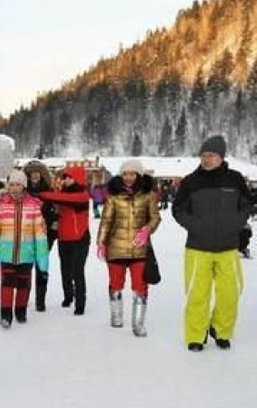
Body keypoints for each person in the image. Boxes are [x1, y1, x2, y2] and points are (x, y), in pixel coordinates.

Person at [172, 136, 252, 351]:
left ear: (221, 157)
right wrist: (196, 225)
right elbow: (178, 209)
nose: (207, 160)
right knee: (197, 294)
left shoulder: (235, 179)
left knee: (232, 291)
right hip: (198, 248)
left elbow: (246, 206)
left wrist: (235, 224)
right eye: (204, 156)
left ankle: (220, 329)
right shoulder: (190, 181)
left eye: (212, 156)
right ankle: (196, 335)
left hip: (228, 247)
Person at [96, 159, 161, 337]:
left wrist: (147, 230)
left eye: (132, 174)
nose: (128, 177)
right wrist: (101, 242)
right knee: (116, 284)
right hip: (116, 248)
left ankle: (138, 324)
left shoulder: (148, 195)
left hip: (139, 249)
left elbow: (155, 217)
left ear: (138, 175)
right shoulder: (114, 196)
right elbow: (106, 221)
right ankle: (116, 316)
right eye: (125, 174)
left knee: (140, 286)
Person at [0, 170, 48, 327]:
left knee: (23, 284)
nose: (14, 188)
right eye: (11, 184)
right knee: (7, 283)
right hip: (6, 254)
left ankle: (20, 311)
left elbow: (40, 237)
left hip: (27, 254)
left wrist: (43, 263)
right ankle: (5, 315)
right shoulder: (2, 206)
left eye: (18, 184)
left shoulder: (33, 207)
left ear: (24, 186)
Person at [39, 166, 90, 315]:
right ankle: (68, 296)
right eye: (65, 177)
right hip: (64, 238)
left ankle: (80, 303)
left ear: (78, 178)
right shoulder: (60, 193)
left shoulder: (82, 195)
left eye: (69, 177)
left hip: (80, 239)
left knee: (77, 271)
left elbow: (64, 199)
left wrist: (43, 194)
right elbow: (54, 203)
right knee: (65, 270)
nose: (66, 180)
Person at [24, 160, 58, 311]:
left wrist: (52, 232)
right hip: (26, 235)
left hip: (45, 235)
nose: (35, 176)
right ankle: (23, 298)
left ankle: (40, 300)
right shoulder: (23, 192)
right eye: (32, 173)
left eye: (37, 173)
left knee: (41, 267)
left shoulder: (50, 192)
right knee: (25, 268)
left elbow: (56, 214)